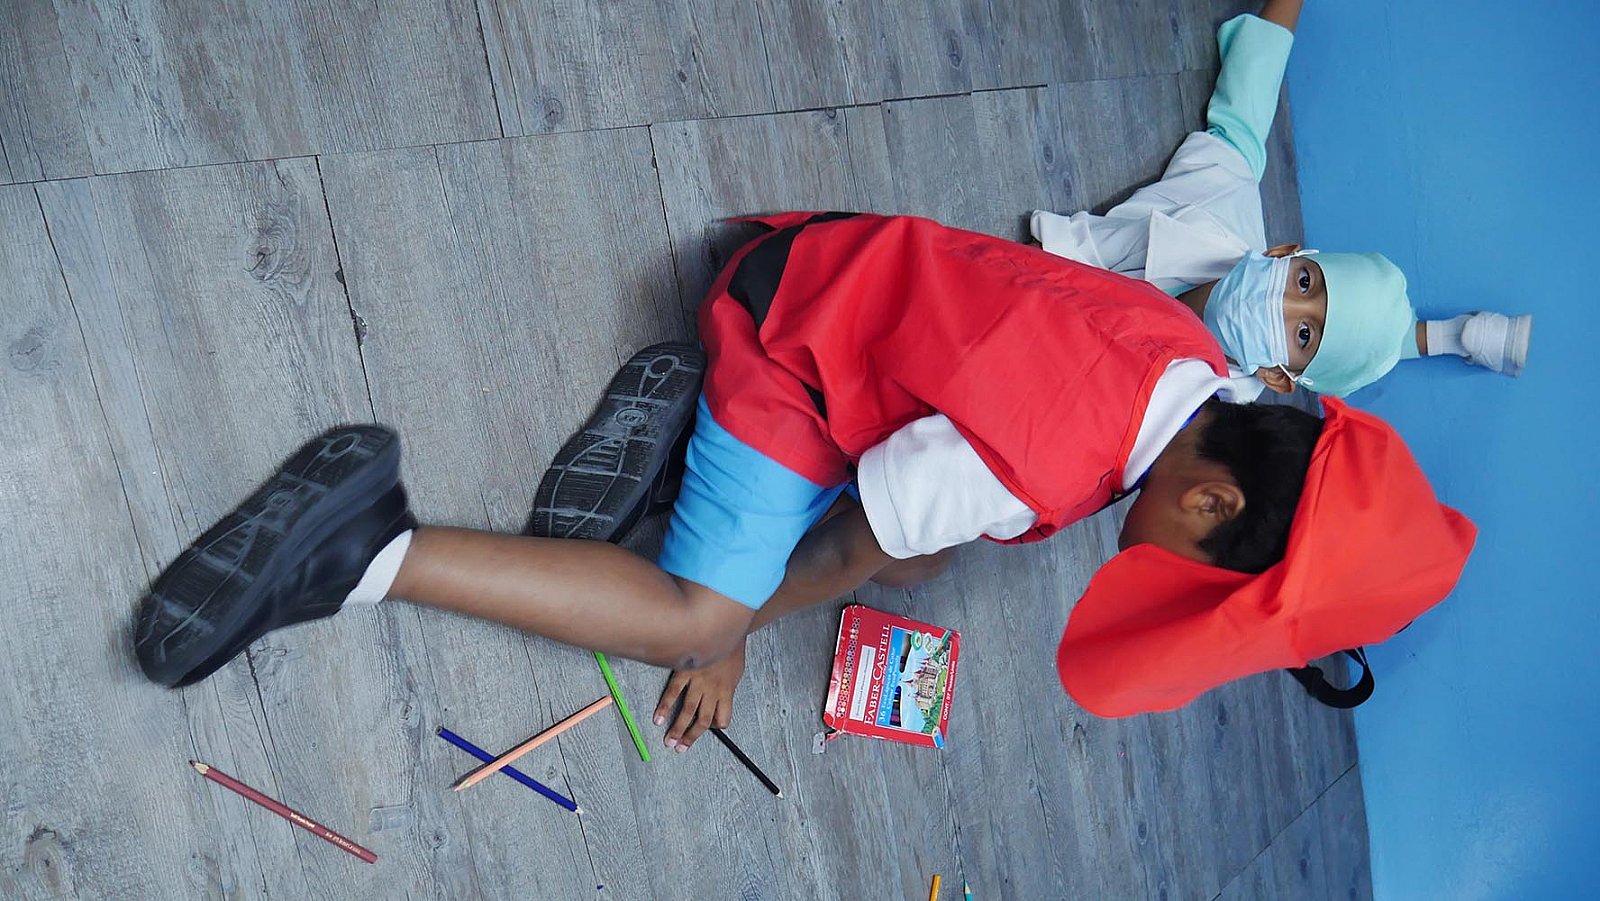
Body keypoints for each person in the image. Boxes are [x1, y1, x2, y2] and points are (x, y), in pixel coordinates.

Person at [131, 212, 1474, 754]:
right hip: (787, 348)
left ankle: (679, 466)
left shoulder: (1185, 354)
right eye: (1201, 577)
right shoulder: (1034, 464)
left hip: (838, 276)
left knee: (922, 546)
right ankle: (369, 546)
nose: (1173, 587)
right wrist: (729, 642)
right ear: (1211, 505)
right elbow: (832, 565)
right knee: (699, 612)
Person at [1028, 0, 1531, 401]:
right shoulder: (1221, 193)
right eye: (1304, 282)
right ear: (1283, 252)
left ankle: (1445, 337)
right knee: (1359, 332)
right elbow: (1248, 103)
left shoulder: (1195, 407)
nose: (1283, 302)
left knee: (1365, 343)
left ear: (1275, 376)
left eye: (1303, 334)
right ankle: (1447, 335)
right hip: (1046, 283)